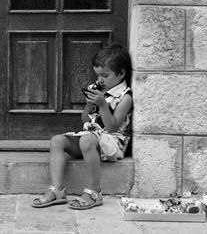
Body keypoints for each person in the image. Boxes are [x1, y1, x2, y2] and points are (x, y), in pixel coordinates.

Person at [32, 44, 133, 210]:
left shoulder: (125, 97)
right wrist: (88, 106)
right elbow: (85, 120)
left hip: (113, 142)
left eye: (105, 75)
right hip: (92, 138)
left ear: (121, 73)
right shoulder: (99, 89)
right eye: (98, 75)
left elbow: (112, 128)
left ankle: (94, 191)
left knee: (86, 140)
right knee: (57, 141)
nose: (100, 80)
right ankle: (57, 189)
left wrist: (102, 105)